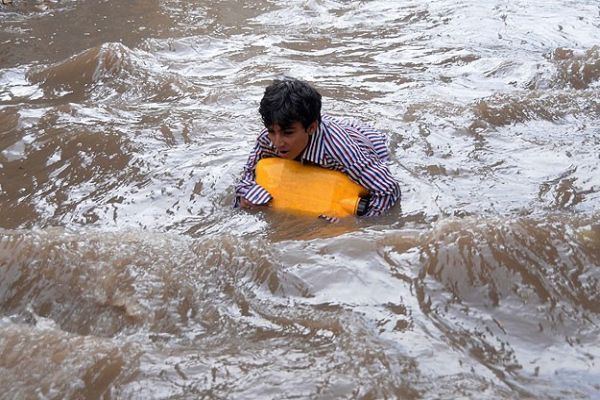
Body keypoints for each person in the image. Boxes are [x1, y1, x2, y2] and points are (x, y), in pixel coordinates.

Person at [234, 77, 400, 217]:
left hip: (371, 141)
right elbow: (248, 175)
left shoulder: (339, 149)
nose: (277, 143)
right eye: (272, 131)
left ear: (311, 128)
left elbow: (388, 190)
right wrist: (248, 197)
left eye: (288, 133)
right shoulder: (266, 140)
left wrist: (357, 225)